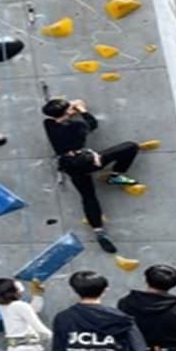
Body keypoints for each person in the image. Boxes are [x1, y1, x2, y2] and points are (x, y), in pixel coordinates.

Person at [41, 97, 140, 254]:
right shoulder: (77, 126)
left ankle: (99, 231)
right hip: (86, 161)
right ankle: (116, 174)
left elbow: (61, 119)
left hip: (68, 165)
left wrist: (69, 109)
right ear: (67, 112)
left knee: (88, 195)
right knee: (130, 147)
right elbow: (92, 124)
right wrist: (83, 110)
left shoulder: (48, 124)